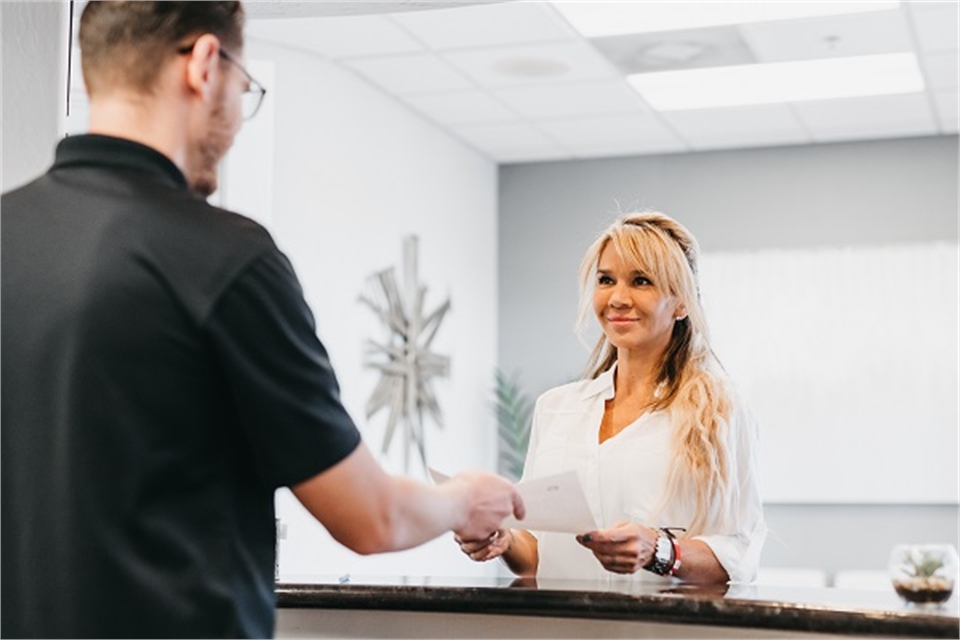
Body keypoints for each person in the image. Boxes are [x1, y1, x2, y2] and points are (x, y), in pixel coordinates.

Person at [1, 2, 523, 638]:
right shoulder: (226, 258)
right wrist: (464, 501)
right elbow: (370, 517)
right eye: (243, 86)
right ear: (204, 64)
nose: (239, 118)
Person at [456, 212, 766, 585]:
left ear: (682, 304)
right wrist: (502, 540)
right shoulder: (555, 408)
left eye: (641, 281)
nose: (618, 298)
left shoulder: (720, 410)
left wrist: (658, 550)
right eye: (606, 280)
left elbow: (739, 555)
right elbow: (538, 556)